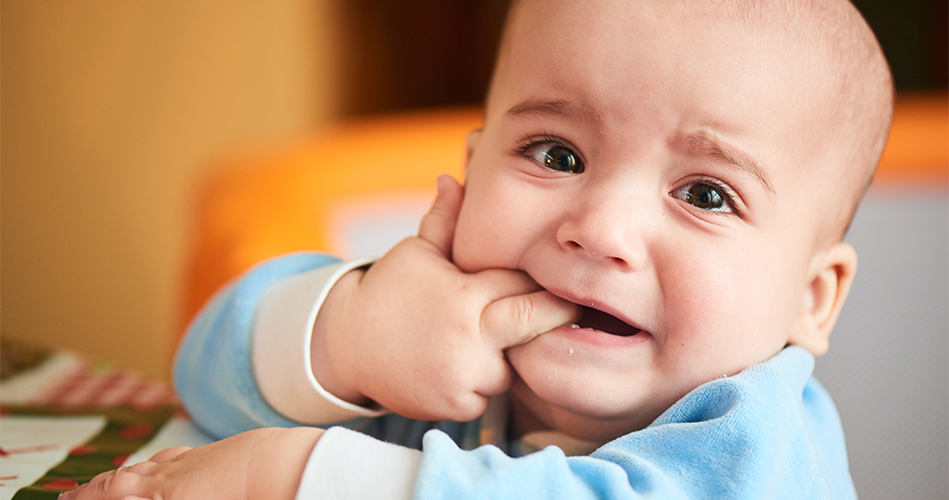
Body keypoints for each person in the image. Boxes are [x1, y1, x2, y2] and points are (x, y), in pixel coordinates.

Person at [63, 0, 893, 498]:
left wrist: (285, 477)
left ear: (810, 299)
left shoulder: (759, 444)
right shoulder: (435, 332)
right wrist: (347, 335)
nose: (598, 228)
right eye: (555, 154)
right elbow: (205, 376)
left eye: (705, 194)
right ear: (469, 172)